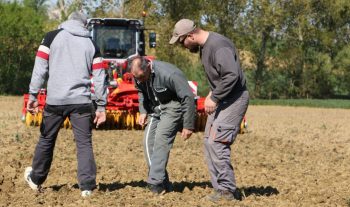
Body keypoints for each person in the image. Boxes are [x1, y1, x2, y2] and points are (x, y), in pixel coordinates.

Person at [24, 11, 107, 197]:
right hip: (82, 102)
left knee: (46, 139)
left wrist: (33, 94)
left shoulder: (51, 37)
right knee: (84, 143)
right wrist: (101, 106)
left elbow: (40, 68)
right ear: (85, 25)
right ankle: (86, 186)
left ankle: (36, 179)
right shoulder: (91, 44)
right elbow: (100, 77)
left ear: (67, 21)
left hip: (55, 101)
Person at [170, 19, 249, 202]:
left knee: (217, 142)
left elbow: (231, 75)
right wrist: (212, 93)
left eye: (182, 41)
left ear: (190, 35)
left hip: (234, 99)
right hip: (224, 98)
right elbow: (221, 76)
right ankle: (220, 189)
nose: (183, 46)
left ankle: (227, 191)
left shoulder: (218, 46)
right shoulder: (205, 47)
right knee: (208, 142)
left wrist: (215, 97)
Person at [129, 55, 196, 195]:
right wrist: (142, 111)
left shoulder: (169, 74)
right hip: (155, 108)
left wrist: (188, 125)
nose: (139, 80)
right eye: (137, 78)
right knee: (148, 142)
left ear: (148, 66)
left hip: (172, 107)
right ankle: (164, 181)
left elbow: (187, 96)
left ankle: (156, 182)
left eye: (141, 77)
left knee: (161, 139)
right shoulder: (139, 75)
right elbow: (141, 91)